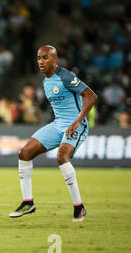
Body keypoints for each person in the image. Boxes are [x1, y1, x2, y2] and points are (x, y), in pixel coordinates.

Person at [9, 45, 97, 222]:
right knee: (24, 153)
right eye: (39, 58)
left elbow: (91, 96)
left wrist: (78, 120)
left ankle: (79, 207)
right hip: (58, 124)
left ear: (54, 59)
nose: (41, 62)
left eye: (45, 58)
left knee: (62, 157)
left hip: (76, 125)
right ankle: (28, 202)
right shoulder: (46, 81)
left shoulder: (66, 76)